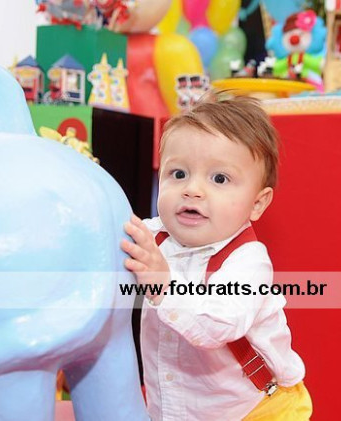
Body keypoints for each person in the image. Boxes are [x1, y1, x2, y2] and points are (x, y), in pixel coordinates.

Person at [120, 92, 312, 420]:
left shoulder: (248, 262)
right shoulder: (152, 237)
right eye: (178, 174)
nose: (192, 189)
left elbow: (218, 325)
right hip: (178, 410)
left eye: (219, 178)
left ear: (256, 203)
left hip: (257, 410)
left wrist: (164, 285)